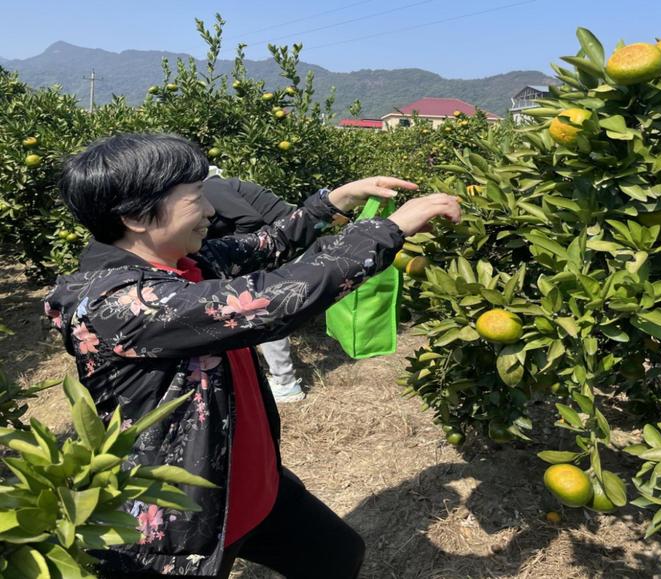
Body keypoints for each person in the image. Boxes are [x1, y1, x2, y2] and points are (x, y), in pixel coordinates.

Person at [45, 133, 461, 578]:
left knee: (336, 556)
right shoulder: (116, 304)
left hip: (242, 481)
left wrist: (332, 203)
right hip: (178, 515)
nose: (210, 210)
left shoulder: (187, 262)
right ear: (135, 216)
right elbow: (273, 302)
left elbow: (267, 245)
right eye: (194, 198)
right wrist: (387, 230)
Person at [203, 168, 309, 403]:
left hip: (281, 241)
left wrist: (233, 254)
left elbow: (250, 220)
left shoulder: (210, 186)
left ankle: (286, 382)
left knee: (259, 308)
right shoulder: (217, 184)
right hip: (282, 238)